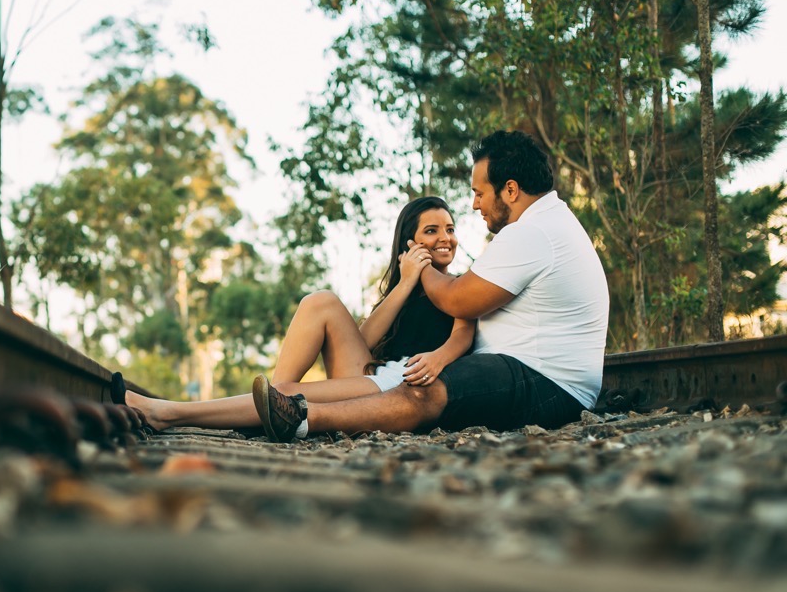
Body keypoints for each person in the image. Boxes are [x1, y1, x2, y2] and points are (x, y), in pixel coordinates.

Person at [253, 130, 609, 441]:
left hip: (545, 381)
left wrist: (419, 264)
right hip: (537, 375)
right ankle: (273, 409)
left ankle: (300, 418)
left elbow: (458, 301)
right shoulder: (546, 224)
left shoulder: (532, 232)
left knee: (424, 392)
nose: (475, 204)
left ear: (511, 190)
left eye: (480, 193)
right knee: (421, 388)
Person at [124, 197, 476, 431]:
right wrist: (405, 283)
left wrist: (438, 358)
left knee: (287, 392)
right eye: (431, 231)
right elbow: (365, 342)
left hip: (400, 385)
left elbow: (464, 333)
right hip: (375, 374)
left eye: (449, 229)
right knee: (320, 301)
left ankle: (166, 413)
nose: (445, 238)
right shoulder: (404, 292)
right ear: (409, 244)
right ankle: (272, 406)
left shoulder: (460, 286)